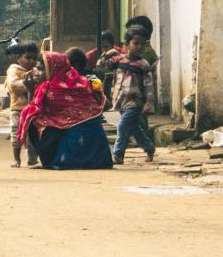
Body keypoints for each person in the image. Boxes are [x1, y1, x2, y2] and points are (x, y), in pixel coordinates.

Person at [17, 51, 112, 170]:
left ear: (53, 69)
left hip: (74, 148)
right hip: (98, 153)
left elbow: (32, 112)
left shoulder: (52, 89)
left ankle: (51, 161)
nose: (37, 73)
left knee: (32, 121)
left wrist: (30, 90)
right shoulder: (80, 81)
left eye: (41, 69)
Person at [100, 28, 156, 164]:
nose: (139, 47)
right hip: (120, 100)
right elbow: (101, 65)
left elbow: (149, 86)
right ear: (127, 44)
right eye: (136, 43)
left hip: (135, 101)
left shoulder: (143, 65)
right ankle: (148, 146)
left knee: (123, 126)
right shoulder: (119, 60)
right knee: (134, 128)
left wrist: (149, 102)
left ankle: (118, 155)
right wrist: (108, 54)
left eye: (142, 44)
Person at [5, 41, 40, 168]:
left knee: (33, 134)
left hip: (32, 109)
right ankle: (16, 158)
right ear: (19, 58)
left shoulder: (36, 71)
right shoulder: (14, 70)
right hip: (18, 109)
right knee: (16, 133)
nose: (31, 61)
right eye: (28, 57)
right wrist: (27, 84)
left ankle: (32, 159)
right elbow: (13, 85)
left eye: (34, 58)